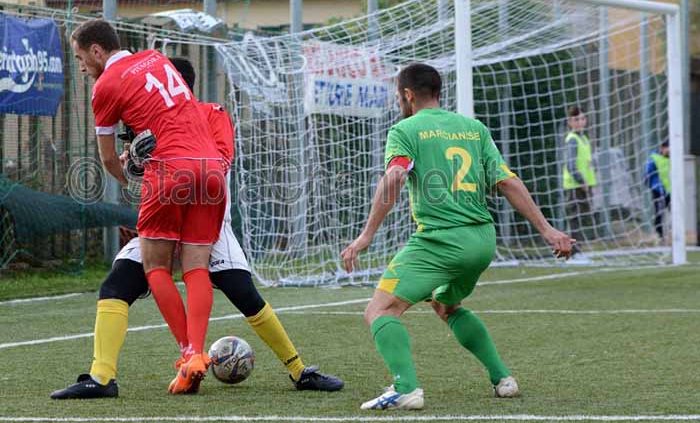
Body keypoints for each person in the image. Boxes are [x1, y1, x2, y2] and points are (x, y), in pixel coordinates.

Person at [50, 57, 344, 399]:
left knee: (244, 294)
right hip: (165, 222)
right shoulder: (150, 121)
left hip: (209, 224)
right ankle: (102, 378)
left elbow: (220, 162)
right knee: (116, 286)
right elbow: (141, 177)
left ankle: (298, 370)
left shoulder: (211, 113)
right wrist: (135, 164)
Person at [341, 63, 574, 411]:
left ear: (407, 95)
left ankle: (405, 388)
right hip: (482, 242)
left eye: (399, 96)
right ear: (439, 92)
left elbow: (395, 178)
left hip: (440, 241)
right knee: (445, 305)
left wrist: (365, 236)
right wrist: (547, 229)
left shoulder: (405, 130)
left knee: (381, 309)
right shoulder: (473, 129)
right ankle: (503, 379)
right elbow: (507, 182)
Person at [70, 20, 226, 394]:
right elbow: (166, 115)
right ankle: (198, 353)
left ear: (96, 51)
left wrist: (131, 177)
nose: (81, 67)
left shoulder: (105, 85)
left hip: (170, 170)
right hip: (211, 167)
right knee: (196, 268)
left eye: (80, 58)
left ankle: (189, 354)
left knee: (155, 267)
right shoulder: (157, 58)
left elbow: (108, 159)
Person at [562, 106, 597, 263]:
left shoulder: (584, 139)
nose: (580, 122)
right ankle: (572, 253)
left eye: (582, 118)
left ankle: (578, 251)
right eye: (576, 119)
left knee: (582, 220)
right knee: (574, 220)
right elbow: (571, 165)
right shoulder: (572, 140)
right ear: (570, 122)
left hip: (584, 186)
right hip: (575, 186)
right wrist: (581, 181)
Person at [644, 139, 671, 239]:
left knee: (673, 211)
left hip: (670, 190)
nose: (669, 151)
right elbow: (648, 172)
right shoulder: (654, 158)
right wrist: (648, 182)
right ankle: (659, 234)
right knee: (659, 211)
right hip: (658, 190)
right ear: (662, 148)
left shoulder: (673, 158)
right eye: (667, 149)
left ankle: (671, 232)